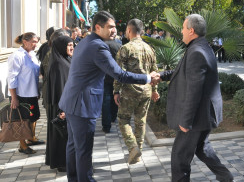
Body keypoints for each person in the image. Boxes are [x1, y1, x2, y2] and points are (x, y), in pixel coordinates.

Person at [58, 11, 160, 182]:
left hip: (72, 101)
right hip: (82, 104)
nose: (114, 30)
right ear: (98, 27)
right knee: (82, 149)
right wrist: (148, 78)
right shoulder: (98, 46)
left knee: (73, 146)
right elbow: (119, 74)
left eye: (115, 27)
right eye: (110, 27)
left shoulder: (85, 42)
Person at [159, 14, 234, 182]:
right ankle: (225, 176)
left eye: (183, 28)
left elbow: (194, 90)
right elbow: (185, 73)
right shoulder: (199, 47)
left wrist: (186, 121)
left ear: (191, 30)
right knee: (202, 148)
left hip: (197, 117)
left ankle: (225, 176)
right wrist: (162, 75)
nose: (181, 31)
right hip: (204, 114)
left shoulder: (197, 51)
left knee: (179, 158)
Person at [113, 19, 159, 164]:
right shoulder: (150, 48)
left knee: (123, 119)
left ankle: (133, 148)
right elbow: (155, 72)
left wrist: (116, 91)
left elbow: (119, 73)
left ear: (129, 30)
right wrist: (154, 90)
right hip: (146, 91)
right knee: (141, 122)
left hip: (129, 91)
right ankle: (137, 153)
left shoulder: (125, 48)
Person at [7, 32, 43, 154]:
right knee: (22, 120)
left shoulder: (32, 54)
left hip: (32, 91)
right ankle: (22, 145)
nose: (35, 44)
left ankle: (31, 138)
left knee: (33, 117)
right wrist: (14, 97)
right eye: (33, 42)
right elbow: (12, 77)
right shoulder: (17, 56)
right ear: (25, 41)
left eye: (36, 42)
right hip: (21, 94)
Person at [45, 36, 74, 171]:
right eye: (68, 45)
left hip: (64, 104)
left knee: (64, 135)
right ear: (61, 47)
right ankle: (62, 163)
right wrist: (63, 109)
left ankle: (63, 162)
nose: (72, 47)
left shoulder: (64, 60)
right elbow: (60, 88)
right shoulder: (58, 64)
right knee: (62, 135)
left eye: (72, 44)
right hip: (61, 106)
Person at [101, 39, 122, 133]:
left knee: (106, 100)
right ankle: (113, 117)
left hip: (104, 76)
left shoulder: (102, 45)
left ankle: (106, 126)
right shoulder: (119, 46)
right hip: (116, 75)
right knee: (115, 95)